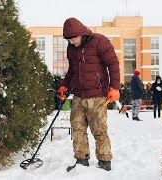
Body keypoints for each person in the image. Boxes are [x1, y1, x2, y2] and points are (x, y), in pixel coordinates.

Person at [58, 17, 120, 171]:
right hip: (78, 95)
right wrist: (64, 85)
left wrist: (115, 87)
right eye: (69, 40)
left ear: (81, 33)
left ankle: (105, 161)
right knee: (77, 128)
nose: (72, 42)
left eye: (73, 38)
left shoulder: (99, 41)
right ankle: (81, 160)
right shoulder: (71, 48)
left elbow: (113, 63)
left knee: (99, 129)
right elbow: (72, 69)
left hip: (97, 95)